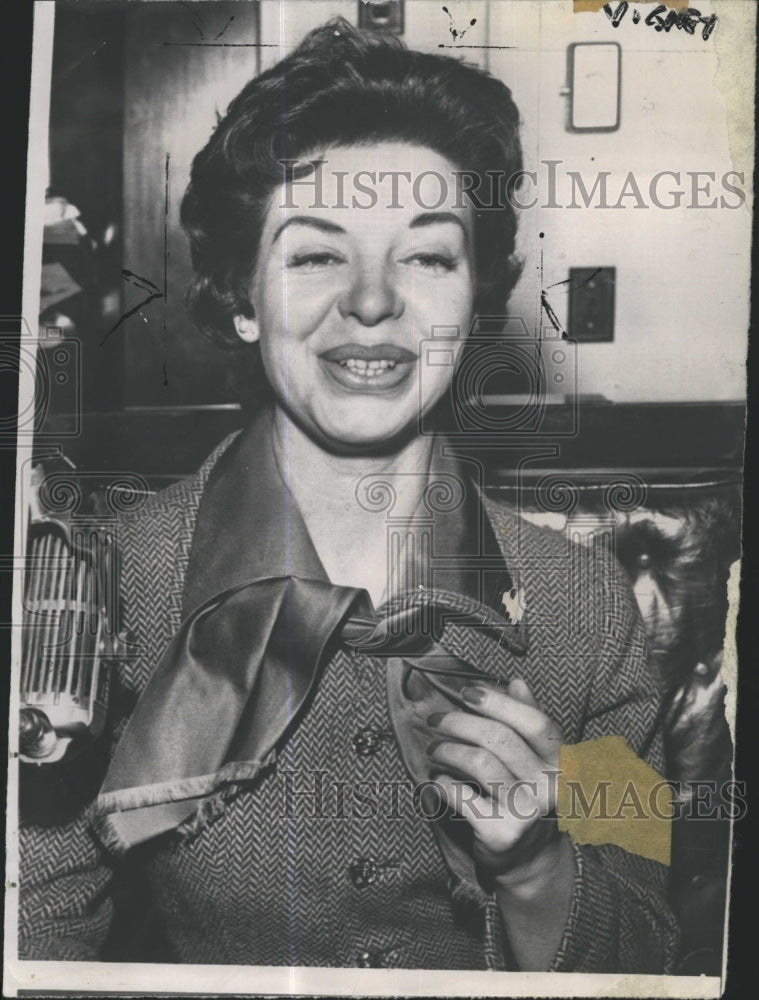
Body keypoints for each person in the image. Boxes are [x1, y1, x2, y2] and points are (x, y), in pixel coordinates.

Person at [19, 18, 678, 972]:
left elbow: (653, 964)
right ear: (241, 298)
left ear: (478, 300)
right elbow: (32, 949)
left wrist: (538, 866)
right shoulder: (98, 589)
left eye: (427, 255)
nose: (371, 302)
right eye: (316, 253)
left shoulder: (586, 607)